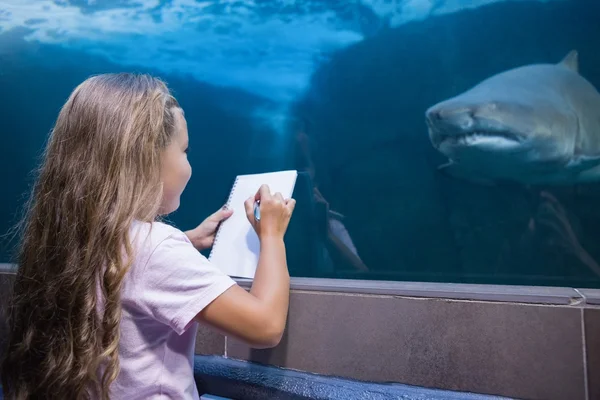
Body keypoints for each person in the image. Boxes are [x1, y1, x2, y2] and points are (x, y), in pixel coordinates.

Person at [0, 73, 296, 400]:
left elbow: (127, 271)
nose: (189, 166)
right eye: (184, 151)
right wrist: (271, 234)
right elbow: (265, 326)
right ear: (146, 157)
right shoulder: (155, 247)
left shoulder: (70, 238)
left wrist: (189, 240)